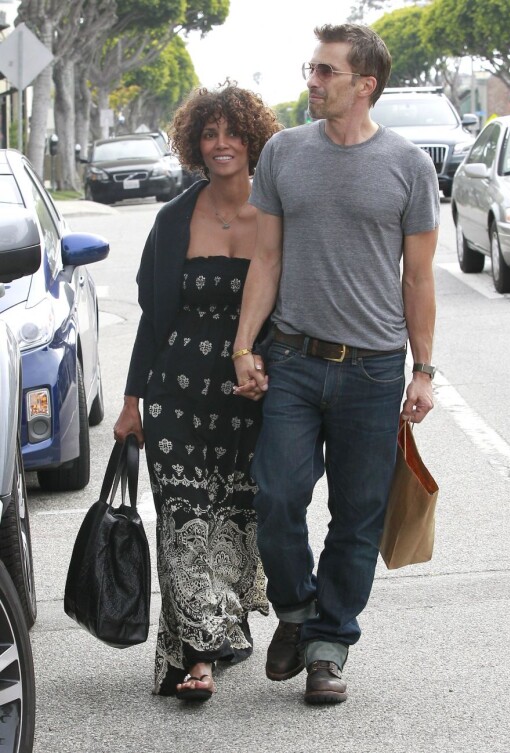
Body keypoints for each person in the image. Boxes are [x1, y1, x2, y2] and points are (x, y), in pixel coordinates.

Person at [232, 24, 440, 705]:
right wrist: (244, 346)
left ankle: (327, 646)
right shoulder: (285, 154)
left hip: (376, 368)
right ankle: (295, 610)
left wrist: (424, 369)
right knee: (278, 495)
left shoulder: (408, 165)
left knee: (356, 515)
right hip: (292, 358)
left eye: (326, 71)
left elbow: (419, 278)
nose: (312, 81)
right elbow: (266, 259)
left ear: (364, 84)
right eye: (311, 68)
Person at [113, 82, 282, 701]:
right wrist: (132, 402)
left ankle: (222, 627)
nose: (220, 145)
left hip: (250, 398)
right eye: (208, 134)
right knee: (184, 521)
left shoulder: (276, 214)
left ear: (252, 138)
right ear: (193, 143)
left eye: (231, 133)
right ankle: (198, 659)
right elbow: (154, 321)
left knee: (236, 518)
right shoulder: (173, 218)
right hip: (176, 396)